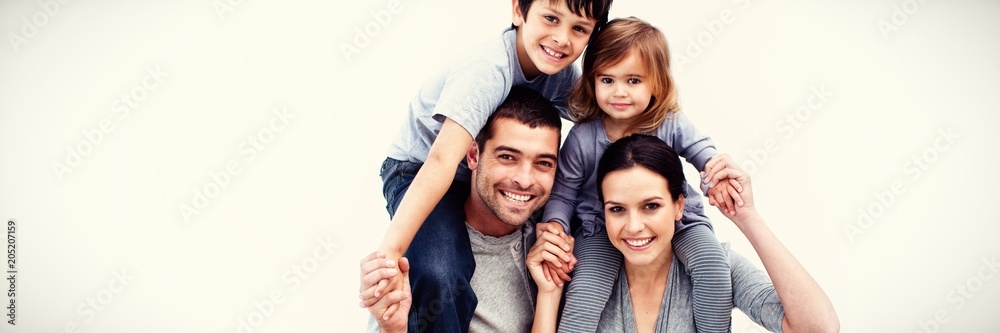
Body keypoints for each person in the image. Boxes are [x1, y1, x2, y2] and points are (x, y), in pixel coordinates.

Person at [361, 0, 614, 331]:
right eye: (551, 18)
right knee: (441, 268)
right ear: (518, 11)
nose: (562, 38)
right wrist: (389, 257)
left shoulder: (561, 76)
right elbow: (439, 164)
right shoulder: (486, 71)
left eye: (579, 28)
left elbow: (614, 123)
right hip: (419, 168)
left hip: (476, 171)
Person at [541, 17, 742, 332]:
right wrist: (555, 225)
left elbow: (701, 150)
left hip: (680, 219)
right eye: (607, 80)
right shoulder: (583, 137)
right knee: (586, 288)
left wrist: (717, 170)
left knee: (713, 267)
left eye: (633, 81)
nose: (619, 92)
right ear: (592, 81)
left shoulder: (669, 122)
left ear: (656, 83)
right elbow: (563, 192)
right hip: (599, 226)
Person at [528, 134, 840, 332]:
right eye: (617, 209)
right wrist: (550, 293)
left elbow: (818, 328)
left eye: (651, 206)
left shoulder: (715, 266)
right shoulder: (578, 269)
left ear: (679, 206)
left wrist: (747, 216)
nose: (634, 226)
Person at [362, 86, 577, 333]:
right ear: (473, 155)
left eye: (543, 163)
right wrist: (395, 330)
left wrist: (550, 291)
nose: (525, 179)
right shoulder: (427, 257)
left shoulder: (559, 242)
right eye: (508, 157)